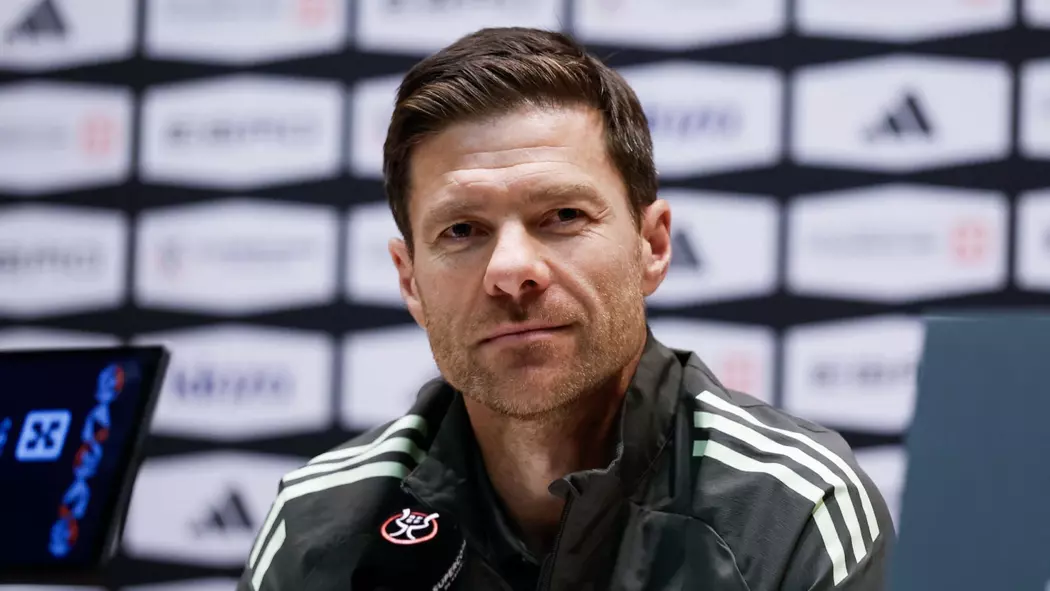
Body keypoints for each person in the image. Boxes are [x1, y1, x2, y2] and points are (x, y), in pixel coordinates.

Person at [238, 27, 894, 591]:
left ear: (653, 246)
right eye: (462, 230)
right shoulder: (319, 524)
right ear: (409, 280)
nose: (511, 270)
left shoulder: (792, 510)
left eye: (563, 216)